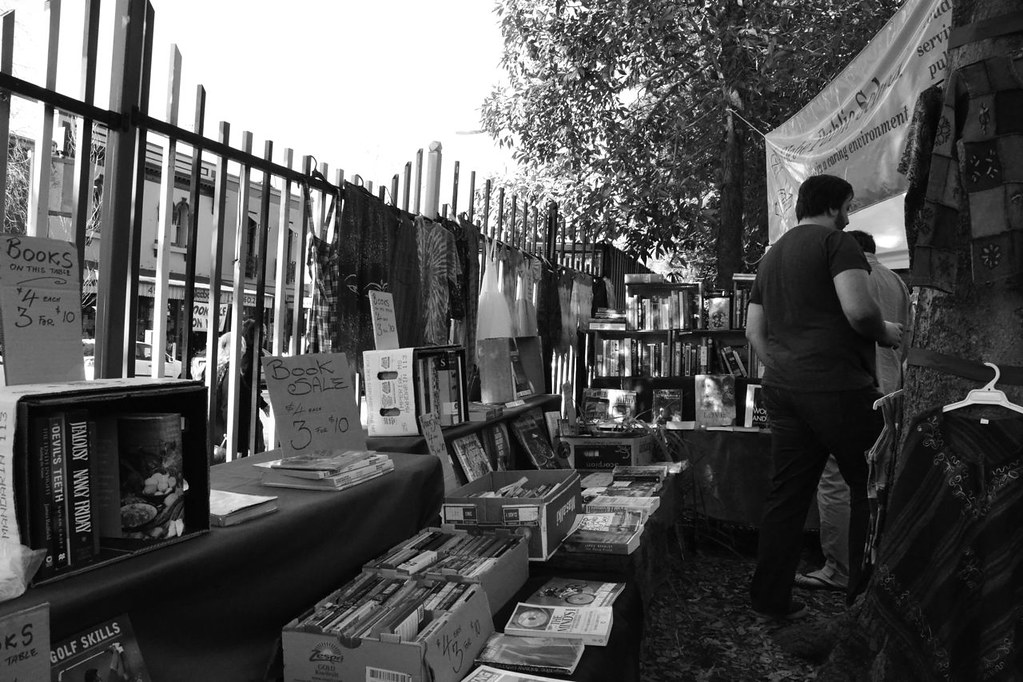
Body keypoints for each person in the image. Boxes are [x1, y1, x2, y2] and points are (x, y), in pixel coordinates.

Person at [745, 175, 903, 619]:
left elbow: (753, 331)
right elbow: (859, 310)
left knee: (787, 495)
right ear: (837, 206)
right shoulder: (838, 243)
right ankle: (861, 601)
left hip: (784, 390)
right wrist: (885, 332)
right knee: (870, 485)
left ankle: (769, 601)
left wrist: (781, 366)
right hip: (840, 389)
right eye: (849, 206)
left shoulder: (770, 257)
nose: (849, 215)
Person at [795, 230, 911, 592]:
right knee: (880, 480)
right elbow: (909, 340)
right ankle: (874, 566)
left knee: (836, 479)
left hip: (851, 388)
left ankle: (841, 569)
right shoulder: (896, 282)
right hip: (892, 390)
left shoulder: (844, 275)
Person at [212, 318, 267, 462]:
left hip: (221, 427)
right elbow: (245, 392)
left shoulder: (218, 369)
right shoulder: (237, 369)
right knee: (253, 452)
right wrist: (262, 404)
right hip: (233, 424)